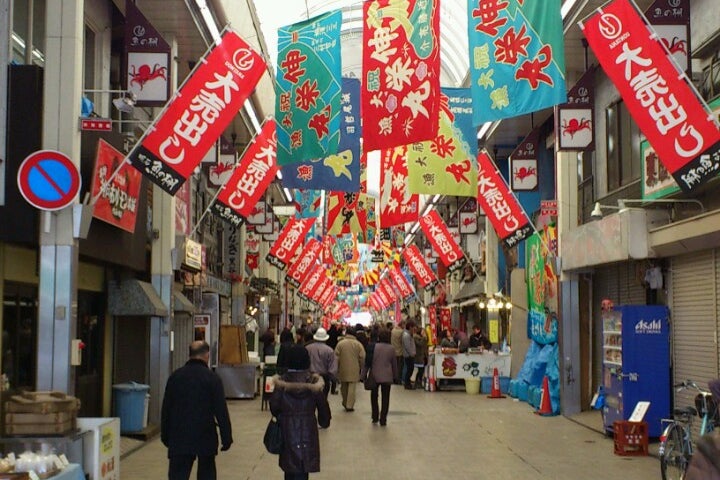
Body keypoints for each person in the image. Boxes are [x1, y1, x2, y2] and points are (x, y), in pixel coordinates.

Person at [161, 341, 232, 480]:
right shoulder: (212, 379)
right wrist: (226, 437)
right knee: (207, 473)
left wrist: (165, 435)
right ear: (206, 355)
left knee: (178, 474)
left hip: (179, 435)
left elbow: (166, 409)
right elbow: (221, 411)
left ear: (190, 355)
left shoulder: (175, 377)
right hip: (205, 435)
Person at [270, 344, 331, 480]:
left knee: (289, 469)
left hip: (287, 431)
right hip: (308, 432)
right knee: (303, 470)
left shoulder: (281, 383)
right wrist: (324, 421)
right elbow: (324, 412)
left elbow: (274, 407)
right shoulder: (314, 384)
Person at [364, 329, 397, 426]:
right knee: (385, 397)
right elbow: (394, 364)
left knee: (374, 396)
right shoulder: (391, 349)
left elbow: (367, 363)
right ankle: (383, 418)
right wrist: (395, 376)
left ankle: (375, 416)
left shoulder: (373, 347)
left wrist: (363, 375)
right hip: (387, 376)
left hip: (375, 375)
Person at [334, 326, 365, 412]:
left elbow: (336, 356)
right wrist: (361, 366)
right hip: (354, 368)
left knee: (343, 386)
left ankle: (344, 402)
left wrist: (336, 367)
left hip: (342, 368)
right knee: (352, 387)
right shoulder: (358, 344)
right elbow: (362, 357)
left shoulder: (340, 343)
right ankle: (349, 405)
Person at [306, 328, 338, 399]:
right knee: (323, 399)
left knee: (310, 397)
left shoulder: (307, 348)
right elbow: (333, 367)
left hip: (309, 376)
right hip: (324, 377)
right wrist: (333, 379)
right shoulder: (329, 350)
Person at [401, 321, 417, 389]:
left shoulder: (409, 334)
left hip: (410, 355)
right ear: (410, 327)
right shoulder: (406, 335)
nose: (414, 329)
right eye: (413, 327)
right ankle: (407, 384)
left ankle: (408, 382)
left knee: (410, 369)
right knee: (409, 369)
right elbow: (407, 346)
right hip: (408, 355)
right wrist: (411, 353)